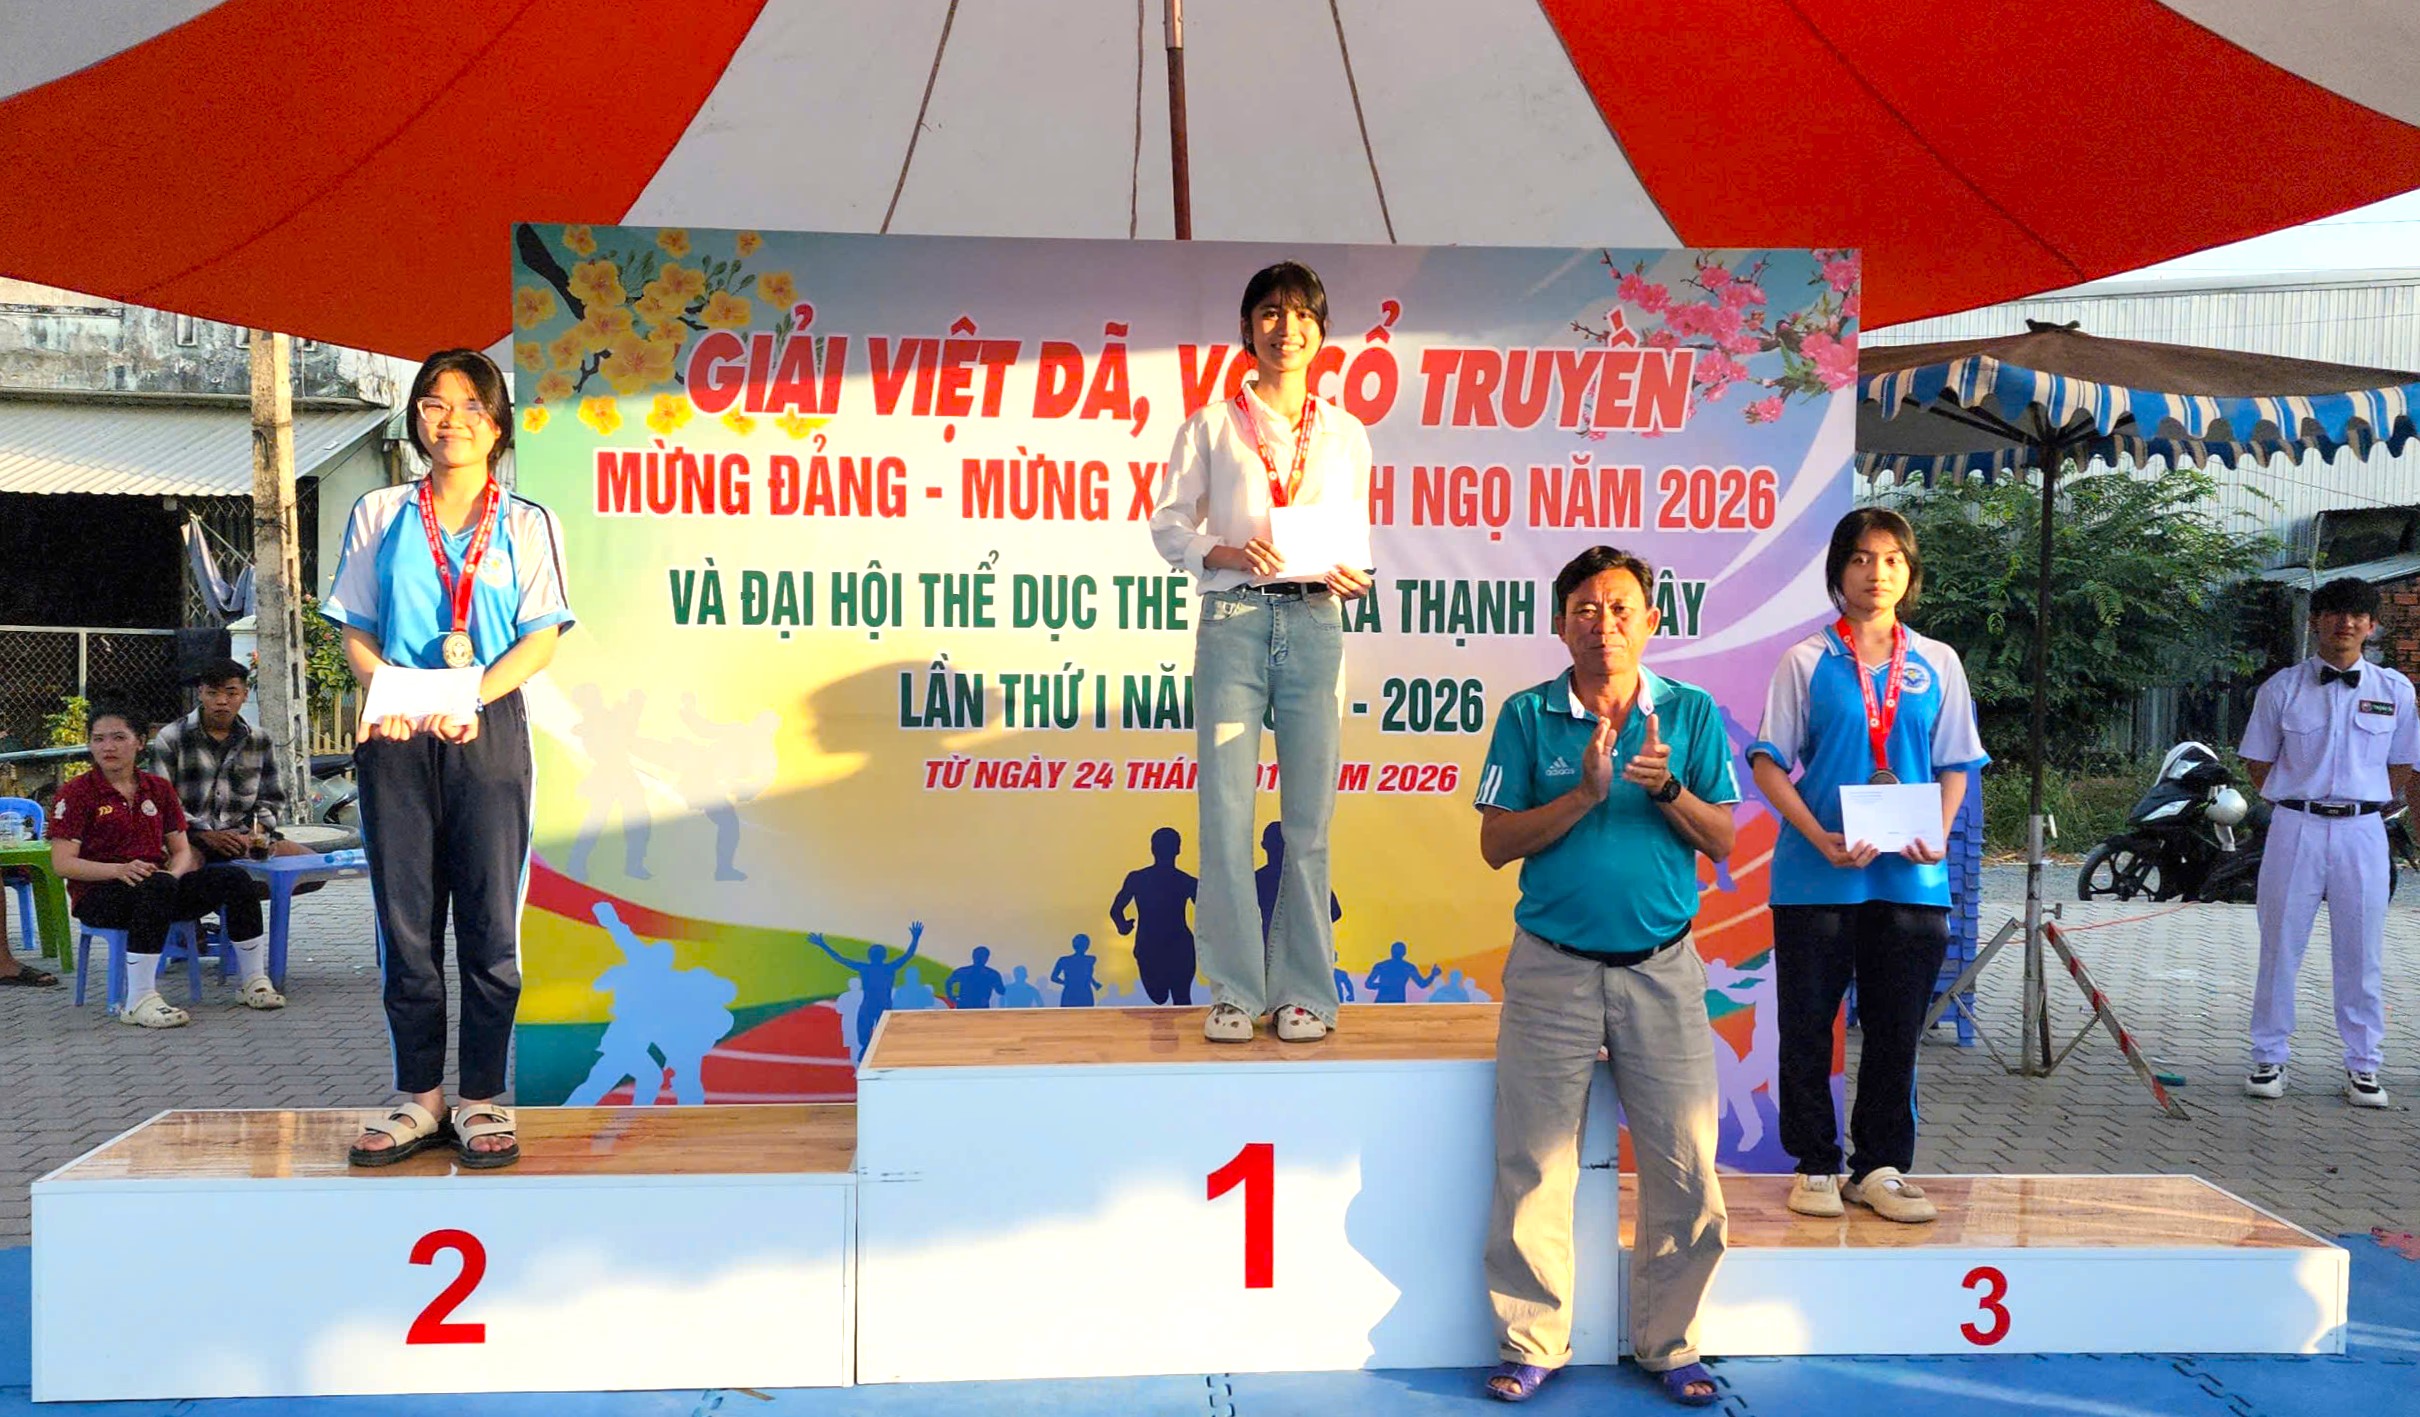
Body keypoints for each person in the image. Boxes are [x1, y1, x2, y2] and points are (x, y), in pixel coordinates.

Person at [1473, 546, 1735, 1408]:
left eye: (1621, 608)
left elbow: (1723, 838)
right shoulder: (1527, 714)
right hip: (1551, 970)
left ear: (1651, 621)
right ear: (1561, 625)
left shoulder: (1690, 713)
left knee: (1684, 1163)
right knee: (1533, 1161)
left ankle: (1671, 1343)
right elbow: (1495, 843)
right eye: (1585, 609)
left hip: (1662, 967)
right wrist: (1584, 794)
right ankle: (1532, 1341)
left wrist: (1667, 791)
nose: (1604, 624)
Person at [325, 348, 573, 1170]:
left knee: (491, 925)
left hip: (487, 727)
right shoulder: (379, 511)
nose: (451, 419)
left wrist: (469, 696)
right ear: (415, 419)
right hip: (396, 729)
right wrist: (388, 690)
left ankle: (483, 1096)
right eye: (434, 403)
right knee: (406, 923)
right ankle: (420, 1097)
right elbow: (357, 627)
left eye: (471, 404)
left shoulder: (527, 521)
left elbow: (540, 638)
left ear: (498, 424)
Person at [1150, 260, 1375, 1043]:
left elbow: (1355, 541)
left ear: (1322, 330)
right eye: (1271, 312)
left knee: (1309, 819)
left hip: (1315, 621)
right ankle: (1236, 990)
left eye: (1302, 313)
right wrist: (1223, 552)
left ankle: (1306, 989)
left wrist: (1355, 577)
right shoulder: (1211, 426)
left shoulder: (1345, 432)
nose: (1288, 328)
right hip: (1235, 620)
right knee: (1226, 812)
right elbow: (1168, 524)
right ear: (1247, 329)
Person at [1748, 508, 1985, 1223]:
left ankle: (1878, 1166)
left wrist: (1938, 831)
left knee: (1895, 1030)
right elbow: (1768, 761)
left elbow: (1957, 762)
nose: (1875, 573)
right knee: (1807, 1025)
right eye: (1859, 558)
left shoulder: (1937, 662)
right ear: (1838, 571)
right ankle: (1815, 1164)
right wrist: (1818, 836)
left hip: (1910, 876)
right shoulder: (1806, 660)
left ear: (1909, 572)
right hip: (1817, 872)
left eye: (1890, 559)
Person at [2239, 576, 2419, 1108]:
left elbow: (2403, 764)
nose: (2346, 623)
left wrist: (2362, 802)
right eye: (2335, 613)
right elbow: (2258, 763)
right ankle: (2268, 1057)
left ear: (2372, 626)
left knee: (2362, 952)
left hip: (2363, 831)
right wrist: (2302, 796)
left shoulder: (2394, 691)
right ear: (2316, 621)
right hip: (2296, 826)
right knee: (2279, 946)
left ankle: (2364, 1065)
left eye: (2357, 615)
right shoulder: (2281, 689)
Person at [49, 704, 277, 1023]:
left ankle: (253, 981)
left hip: (157, 886)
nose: (108, 747)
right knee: (155, 888)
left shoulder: (157, 788)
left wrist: (173, 875)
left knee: (234, 879)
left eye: (119, 737)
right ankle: (139, 1000)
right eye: (99, 739)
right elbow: (63, 864)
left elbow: (181, 850)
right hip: (100, 893)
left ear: (140, 742)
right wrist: (119, 870)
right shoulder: (76, 794)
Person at [149, 658, 314, 865]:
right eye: (212, 693)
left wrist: (254, 833)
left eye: (231, 693)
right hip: (188, 839)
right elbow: (161, 802)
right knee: (182, 870)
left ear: (245, 695)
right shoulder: (172, 737)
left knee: (313, 865)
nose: (221, 701)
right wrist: (204, 835)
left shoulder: (260, 739)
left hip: (244, 838)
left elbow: (271, 799)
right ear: (200, 693)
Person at [1110, 826, 1198, 1004]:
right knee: (1161, 996)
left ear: (1153, 848)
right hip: (1156, 947)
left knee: (1178, 997)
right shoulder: (1185, 881)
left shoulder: (1141, 879)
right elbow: (1116, 910)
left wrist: (1123, 926)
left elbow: (1116, 910)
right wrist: (1122, 925)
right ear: (1178, 849)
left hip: (1170, 946)